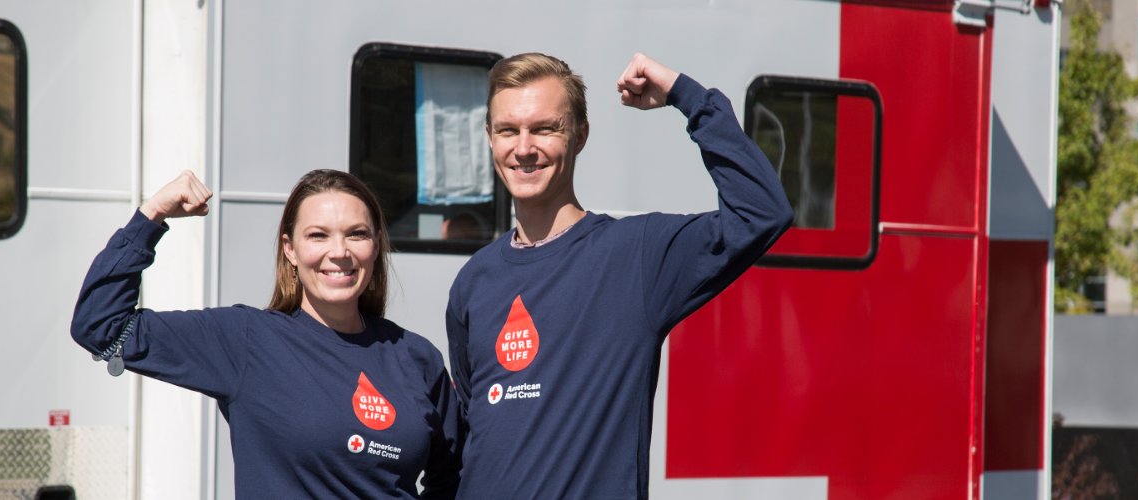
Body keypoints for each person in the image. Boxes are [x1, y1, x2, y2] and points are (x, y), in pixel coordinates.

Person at [444, 52, 793, 498]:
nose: (524, 147)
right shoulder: (474, 280)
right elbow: (473, 433)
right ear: (490, 138)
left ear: (580, 136)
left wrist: (686, 97)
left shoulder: (637, 255)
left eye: (545, 128)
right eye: (508, 130)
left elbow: (762, 212)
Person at [72, 169, 460, 498]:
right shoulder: (246, 342)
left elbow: (454, 476)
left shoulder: (416, 357)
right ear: (290, 250)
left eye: (356, 234)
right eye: (318, 236)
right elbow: (100, 325)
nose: (339, 251)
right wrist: (151, 215)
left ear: (376, 246)